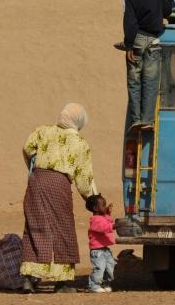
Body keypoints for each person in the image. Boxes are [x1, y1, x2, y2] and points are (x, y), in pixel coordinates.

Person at [20, 103, 98, 293]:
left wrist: (35, 165)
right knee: (62, 229)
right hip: (58, 184)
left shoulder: (43, 131)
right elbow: (84, 177)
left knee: (35, 226)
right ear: (79, 122)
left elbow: (27, 148)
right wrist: (94, 199)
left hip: (36, 181)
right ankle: (61, 283)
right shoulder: (80, 143)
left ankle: (29, 279)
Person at [123, 0, 172, 135]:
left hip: (137, 41)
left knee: (134, 82)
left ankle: (135, 119)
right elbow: (167, 10)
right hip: (153, 41)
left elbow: (130, 22)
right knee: (150, 81)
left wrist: (129, 45)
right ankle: (147, 121)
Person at [85, 194, 115, 293]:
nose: (105, 207)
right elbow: (104, 227)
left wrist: (107, 213)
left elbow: (108, 221)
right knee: (99, 268)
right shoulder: (95, 220)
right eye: (103, 205)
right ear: (95, 208)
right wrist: (114, 226)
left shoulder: (102, 217)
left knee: (109, 267)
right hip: (97, 251)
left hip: (105, 249)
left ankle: (105, 284)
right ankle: (94, 285)